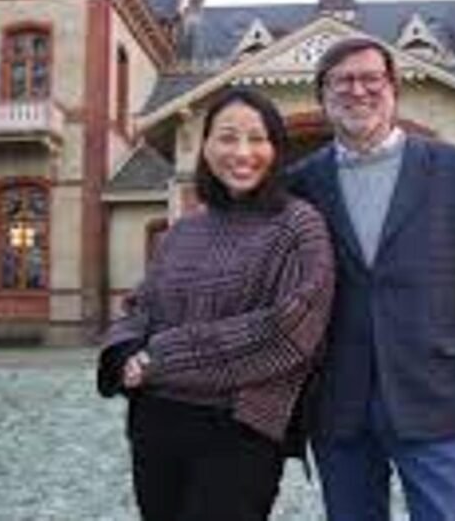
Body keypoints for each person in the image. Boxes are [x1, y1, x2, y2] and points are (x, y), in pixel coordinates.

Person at [290, 37, 455, 521]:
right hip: (339, 406)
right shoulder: (299, 185)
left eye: (370, 78)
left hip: (438, 398)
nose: (357, 91)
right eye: (342, 81)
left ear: (393, 90)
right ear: (323, 96)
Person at [97, 87, 335, 521]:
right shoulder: (185, 231)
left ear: (276, 149)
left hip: (239, 431)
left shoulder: (298, 225)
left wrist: (161, 357)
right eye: (227, 137)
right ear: (205, 147)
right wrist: (124, 352)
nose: (242, 153)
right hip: (157, 423)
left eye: (257, 138)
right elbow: (141, 307)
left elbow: (290, 329)